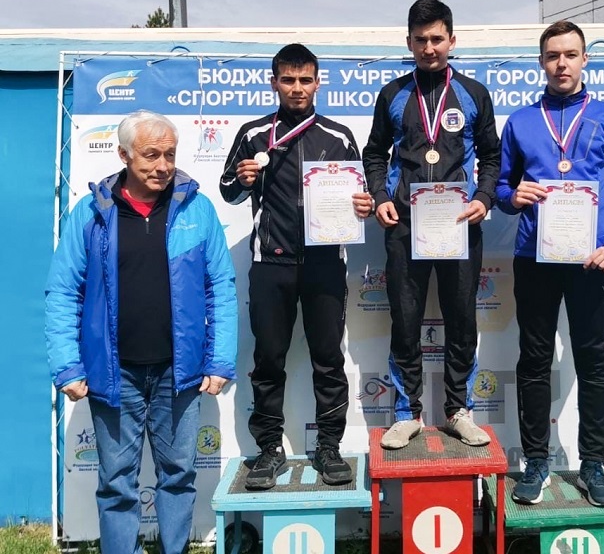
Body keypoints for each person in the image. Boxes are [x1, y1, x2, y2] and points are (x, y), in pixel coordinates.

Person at [45, 110, 237, 554]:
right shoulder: (92, 213)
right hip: (114, 375)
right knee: (117, 483)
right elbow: (63, 291)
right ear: (124, 155)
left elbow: (221, 289)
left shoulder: (197, 209)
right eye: (151, 155)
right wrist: (67, 366)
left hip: (180, 374)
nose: (162, 165)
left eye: (170, 154)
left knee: (179, 476)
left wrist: (220, 360)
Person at [496, 20, 604, 506]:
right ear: (541, 62)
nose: (561, 64)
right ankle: (535, 462)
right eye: (552, 56)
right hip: (534, 259)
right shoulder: (521, 121)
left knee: (593, 359)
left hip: (590, 263)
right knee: (534, 360)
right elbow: (500, 187)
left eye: (570, 55)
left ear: (585, 59)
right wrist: (511, 196)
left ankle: (593, 465)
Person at [221, 43, 366, 489]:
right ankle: (268, 449)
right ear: (274, 83)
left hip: (325, 264)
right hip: (271, 264)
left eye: (305, 80)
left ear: (318, 83)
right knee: (268, 359)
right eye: (288, 80)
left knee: (329, 359)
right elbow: (227, 190)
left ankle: (329, 447)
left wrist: (362, 205)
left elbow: (360, 195)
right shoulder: (253, 133)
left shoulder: (339, 136)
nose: (297, 88)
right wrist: (241, 180)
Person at [359, 0, 501, 449]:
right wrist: (381, 197)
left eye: (437, 39)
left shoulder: (474, 94)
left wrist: (483, 198)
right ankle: (407, 413)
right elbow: (374, 153)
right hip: (404, 225)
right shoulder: (393, 94)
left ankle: (459, 410)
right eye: (420, 40)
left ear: (452, 40)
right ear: (409, 42)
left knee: (462, 320)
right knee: (405, 321)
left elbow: (492, 156)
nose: (429, 48)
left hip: (459, 223)